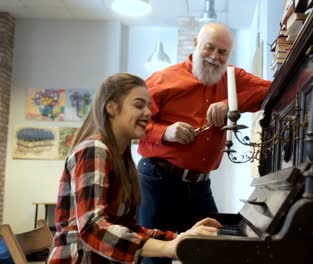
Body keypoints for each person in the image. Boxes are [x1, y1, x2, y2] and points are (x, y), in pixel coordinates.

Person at [46, 73, 221, 264]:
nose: (148, 112)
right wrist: (168, 248)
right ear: (112, 108)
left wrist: (180, 239)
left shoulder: (122, 159)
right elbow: (93, 228)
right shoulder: (94, 150)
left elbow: (130, 227)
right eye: (139, 105)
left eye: (148, 106)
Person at [137, 22, 272, 264]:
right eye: (209, 48)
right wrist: (165, 132)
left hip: (199, 184)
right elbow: (133, 124)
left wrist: (233, 103)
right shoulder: (162, 80)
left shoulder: (233, 77)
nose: (214, 56)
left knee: (210, 250)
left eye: (222, 52)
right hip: (158, 180)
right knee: (156, 256)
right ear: (196, 44)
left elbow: (272, 91)